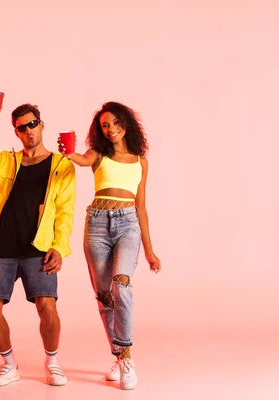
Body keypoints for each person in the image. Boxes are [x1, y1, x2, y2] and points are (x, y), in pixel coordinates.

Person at [0, 99, 76, 387]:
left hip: (38, 246)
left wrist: (59, 246)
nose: (28, 130)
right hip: (1, 243)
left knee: (47, 306)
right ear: (16, 132)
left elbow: (66, 210)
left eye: (32, 124)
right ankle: (9, 364)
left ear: (41, 125)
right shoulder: (7, 161)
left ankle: (52, 362)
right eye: (21, 127)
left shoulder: (62, 165)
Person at [58, 101, 162, 390]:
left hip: (128, 223)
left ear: (126, 123)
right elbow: (80, 159)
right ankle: (117, 355)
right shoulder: (98, 154)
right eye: (105, 125)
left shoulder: (140, 161)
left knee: (122, 284)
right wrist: (68, 152)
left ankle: (127, 357)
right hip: (97, 224)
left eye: (115, 122)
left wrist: (150, 251)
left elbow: (141, 207)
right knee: (104, 295)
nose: (111, 128)